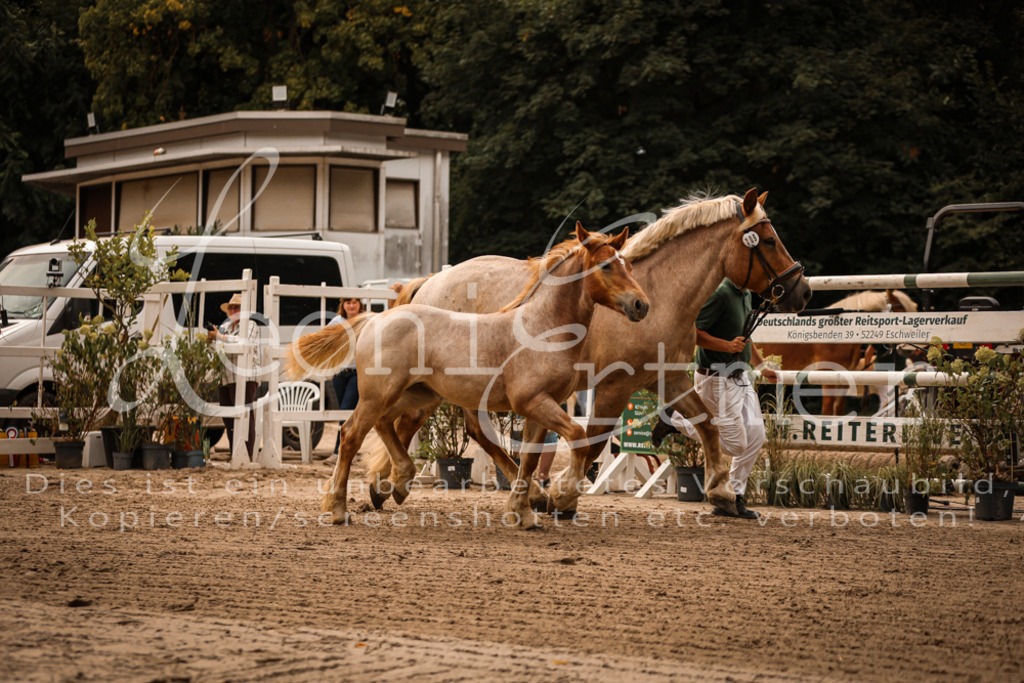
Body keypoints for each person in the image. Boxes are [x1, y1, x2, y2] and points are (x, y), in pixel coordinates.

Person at [651, 277, 777, 519]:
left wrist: (762, 366)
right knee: (735, 445)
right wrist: (725, 346)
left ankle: (733, 498)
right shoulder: (719, 294)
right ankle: (675, 418)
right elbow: (693, 332)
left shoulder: (746, 294)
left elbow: (744, 337)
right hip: (716, 379)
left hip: (741, 376)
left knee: (756, 437)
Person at [208, 292, 259, 460]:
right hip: (226, 376)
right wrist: (212, 340)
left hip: (245, 376)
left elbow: (244, 343)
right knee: (229, 417)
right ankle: (235, 452)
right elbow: (218, 348)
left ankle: (248, 454)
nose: (233, 310)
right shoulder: (226, 328)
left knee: (245, 415)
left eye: (237, 307)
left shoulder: (251, 325)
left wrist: (219, 337)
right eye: (231, 308)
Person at [328, 297, 365, 458]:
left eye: (354, 302)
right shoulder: (337, 321)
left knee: (347, 410)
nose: (351, 305)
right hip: (340, 371)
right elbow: (327, 338)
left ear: (359, 305)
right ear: (343, 305)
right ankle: (347, 448)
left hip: (358, 371)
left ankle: (340, 450)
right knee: (343, 412)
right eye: (348, 302)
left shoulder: (365, 319)